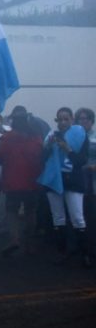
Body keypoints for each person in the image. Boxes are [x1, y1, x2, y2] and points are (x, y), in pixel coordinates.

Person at [40, 107, 90, 267]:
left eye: (66, 119)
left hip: (73, 180)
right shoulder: (51, 136)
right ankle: (62, 252)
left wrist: (67, 150)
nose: (62, 122)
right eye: (60, 119)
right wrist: (48, 146)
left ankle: (85, 254)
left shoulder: (80, 135)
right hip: (55, 180)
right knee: (58, 217)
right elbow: (41, 159)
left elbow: (81, 161)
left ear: (71, 120)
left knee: (77, 217)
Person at [0, 111, 43, 256]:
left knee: (12, 211)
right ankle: (29, 242)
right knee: (30, 211)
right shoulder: (36, 138)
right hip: (32, 181)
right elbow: (41, 156)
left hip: (12, 181)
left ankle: (14, 239)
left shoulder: (8, 138)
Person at [76, 108, 96, 261]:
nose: (83, 122)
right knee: (80, 218)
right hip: (77, 183)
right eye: (80, 119)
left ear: (91, 120)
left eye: (86, 119)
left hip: (93, 182)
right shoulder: (74, 137)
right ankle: (83, 250)